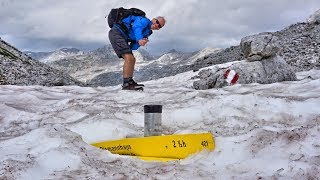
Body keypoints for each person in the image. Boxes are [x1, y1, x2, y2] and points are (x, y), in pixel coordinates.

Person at [109, 14, 166, 90]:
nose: (157, 25)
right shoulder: (144, 20)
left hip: (122, 36)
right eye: (157, 22)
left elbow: (133, 46)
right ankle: (126, 84)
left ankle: (129, 81)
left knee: (132, 59)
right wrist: (139, 39)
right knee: (129, 58)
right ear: (153, 19)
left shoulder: (147, 32)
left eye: (159, 26)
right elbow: (137, 27)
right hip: (117, 32)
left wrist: (141, 42)